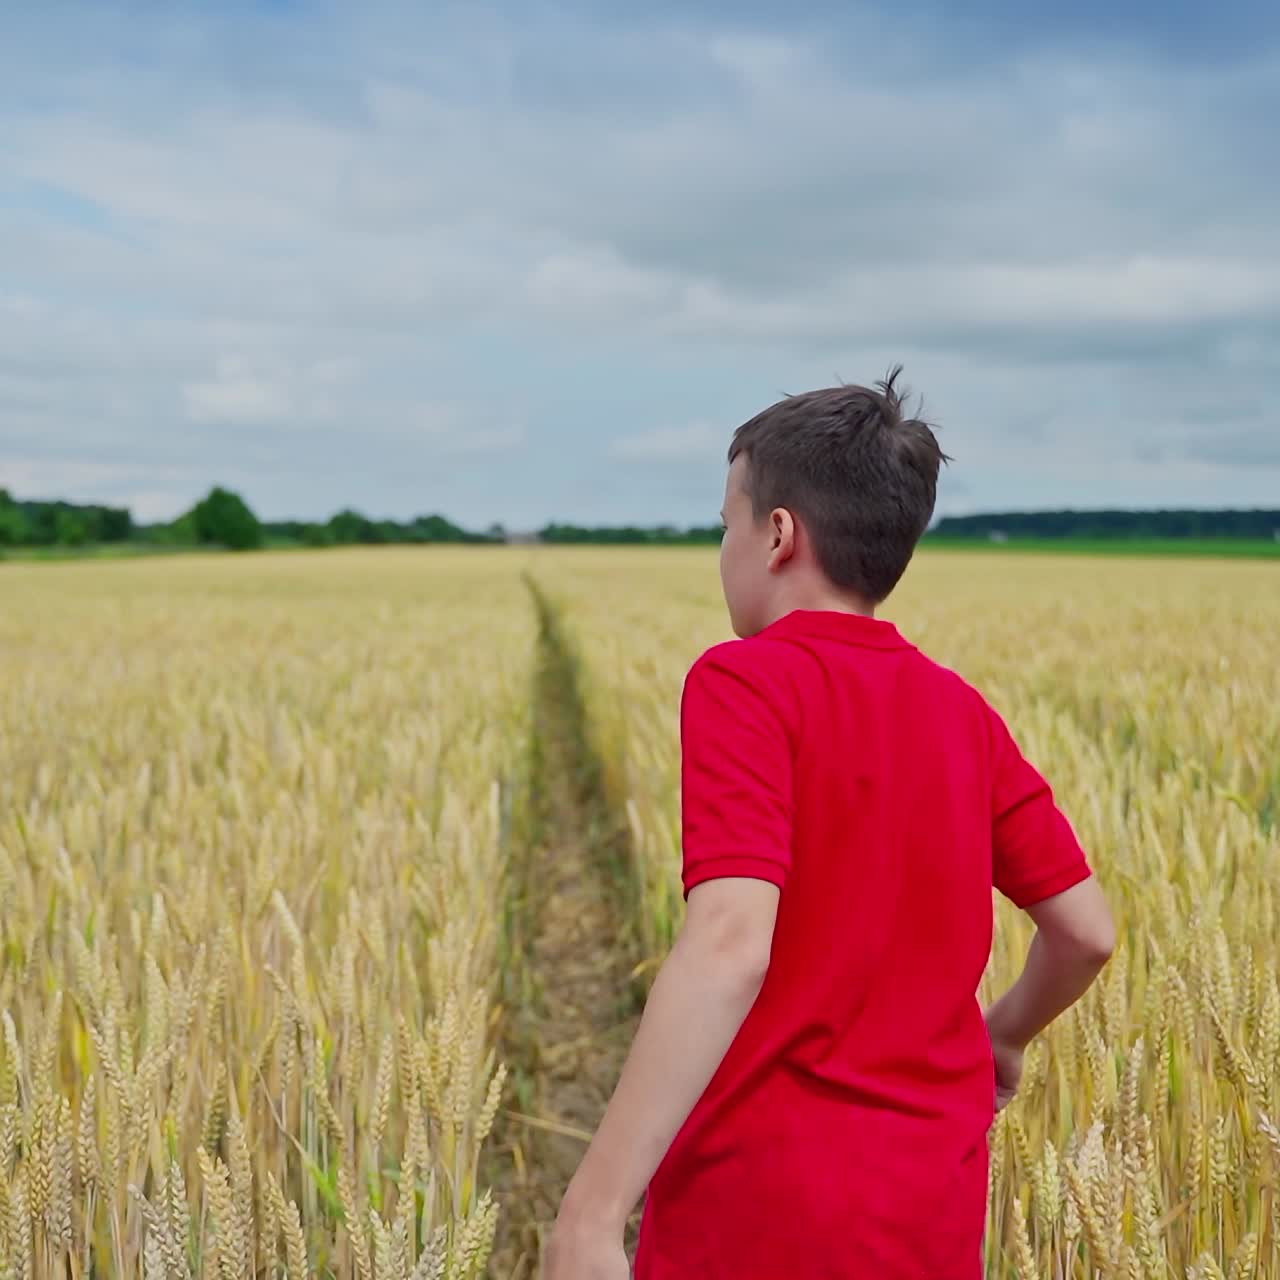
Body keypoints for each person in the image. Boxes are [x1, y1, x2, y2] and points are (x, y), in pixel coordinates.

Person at [545, 368, 1116, 1279]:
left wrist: (593, 1212)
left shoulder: (745, 682)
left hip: (758, 1209)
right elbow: (1086, 932)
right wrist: (1001, 1035)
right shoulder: (960, 711)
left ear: (777, 535)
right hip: (929, 1212)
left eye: (726, 523)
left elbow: (731, 943)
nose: (722, 547)